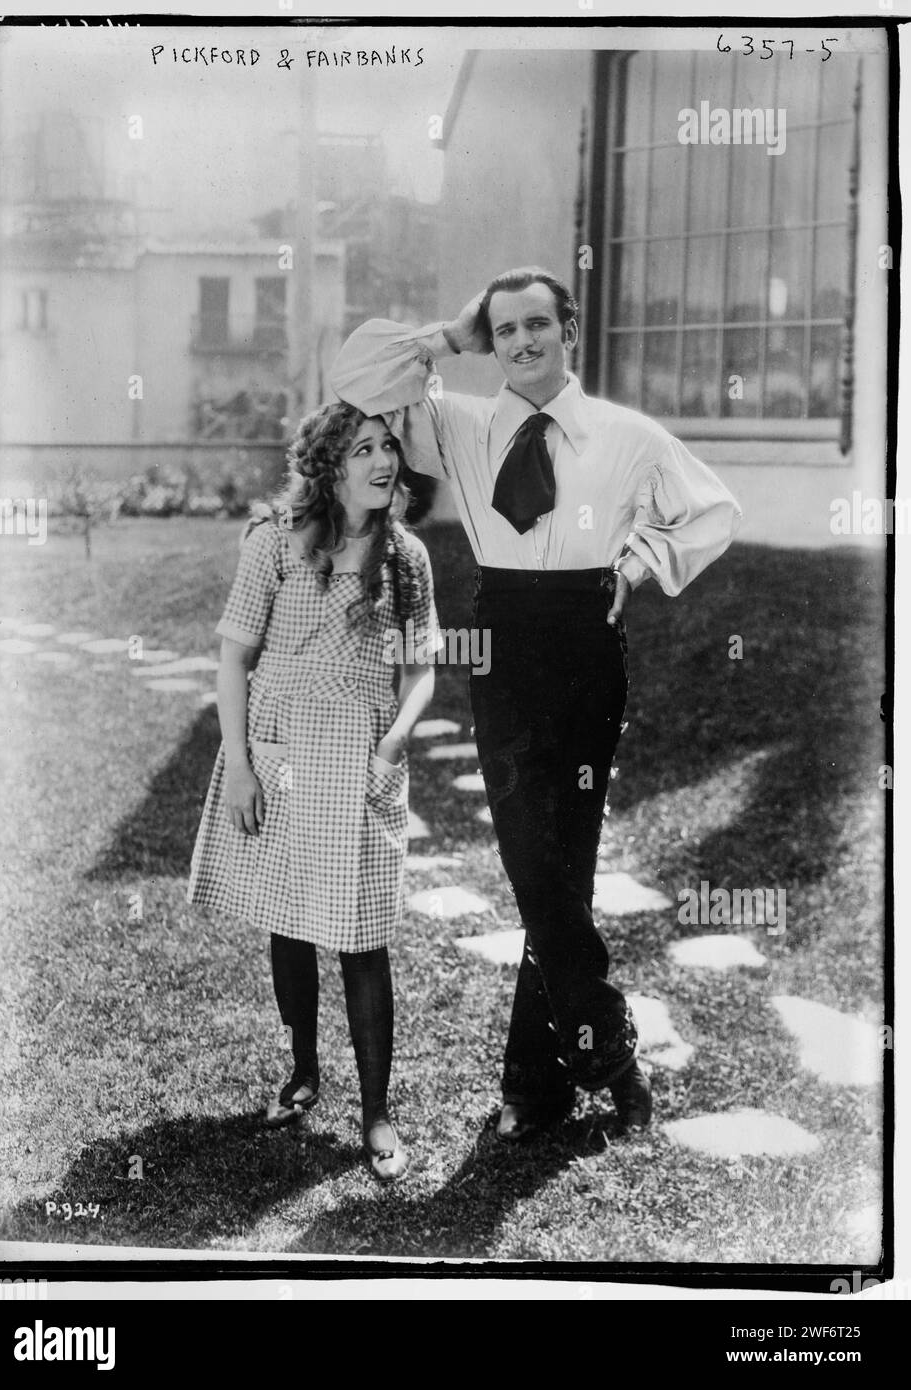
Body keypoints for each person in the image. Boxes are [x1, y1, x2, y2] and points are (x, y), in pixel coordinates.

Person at [331, 266, 742, 1141]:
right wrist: (451, 335)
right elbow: (357, 373)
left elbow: (711, 512)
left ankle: (533, 1083)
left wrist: (636, 564)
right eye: (505, 328)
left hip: (587, 644)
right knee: (530, 857)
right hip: (504, 641)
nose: (521, 342)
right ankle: (610, 1058)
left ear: (569, 332)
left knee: (564, 865)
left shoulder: (626, 436)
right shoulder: (457, 425)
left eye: (536, 326)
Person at [187, 401, 439, 1181]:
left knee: (362, 937)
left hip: (362, 755)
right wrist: (240, 763)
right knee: (287, 918)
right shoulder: (274, 542)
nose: (381, 459)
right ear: (328, 464)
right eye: (361, 447)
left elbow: (422, 668)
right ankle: (302, 1071)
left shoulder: (407, 557)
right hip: (279, 748)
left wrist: (394, 742)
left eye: (388, 445)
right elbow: (233, 659)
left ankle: (376, 1113)